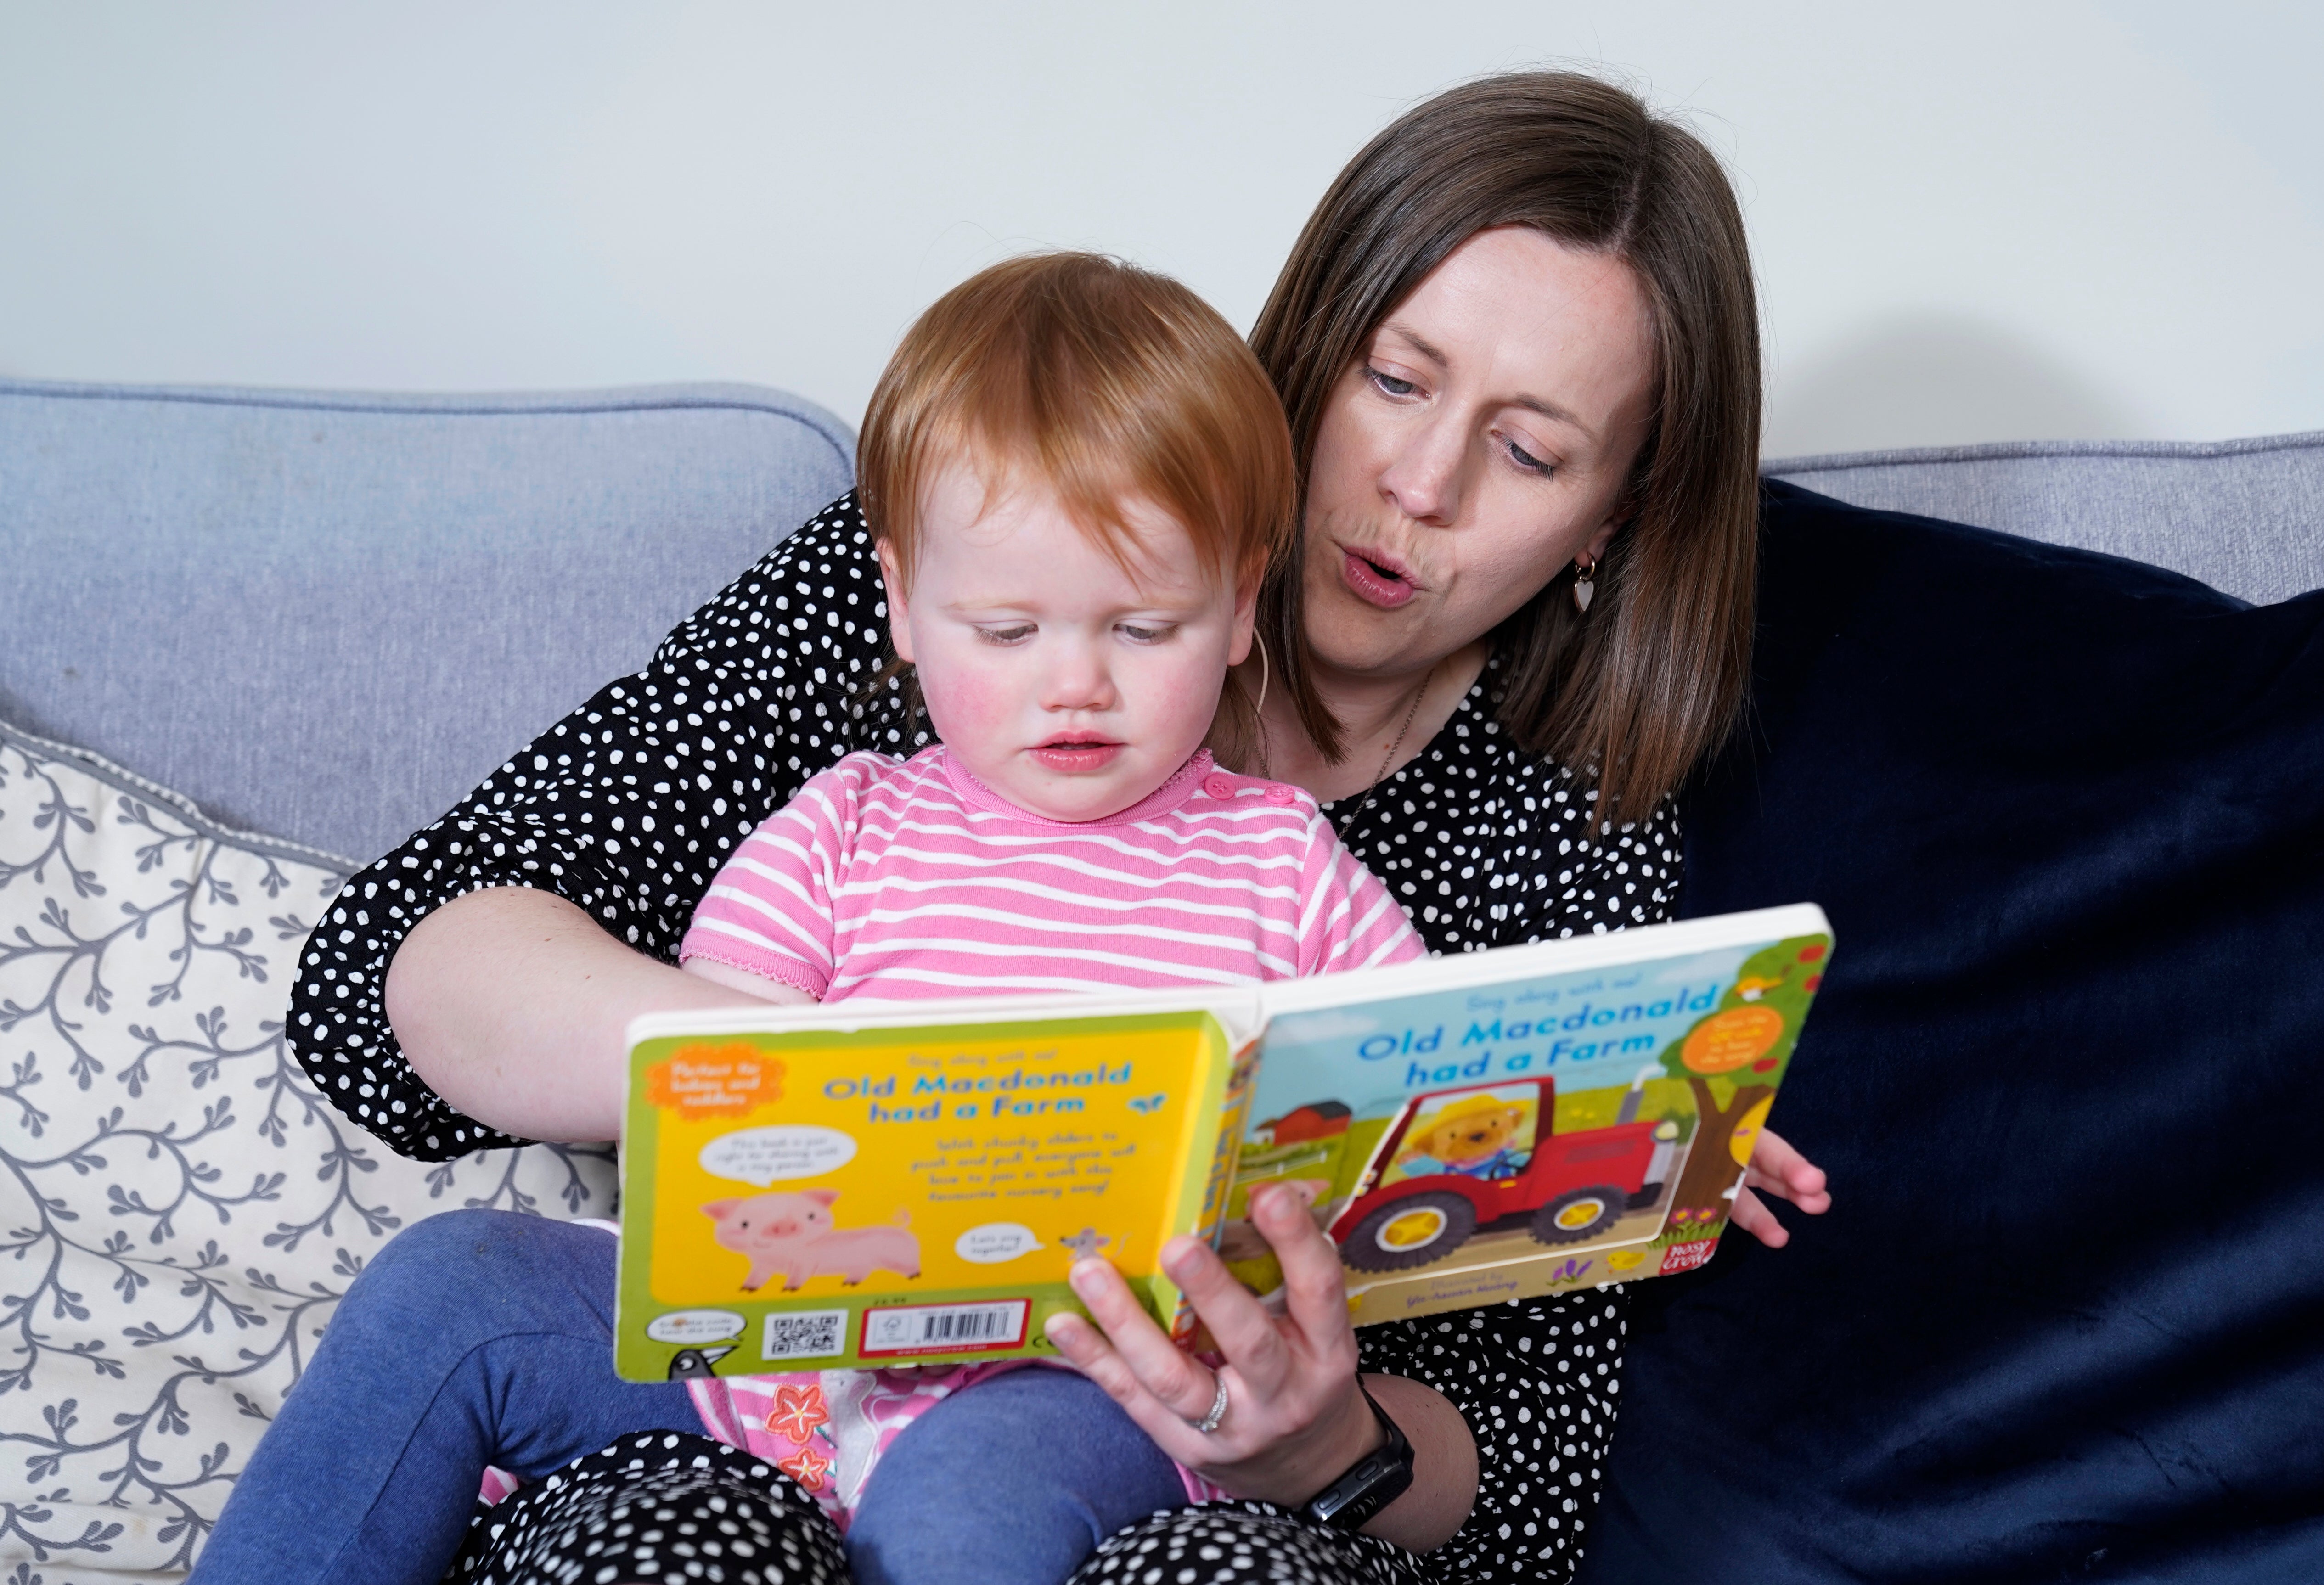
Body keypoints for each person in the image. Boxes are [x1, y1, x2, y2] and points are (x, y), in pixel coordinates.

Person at [284, 70, 1832, 1585]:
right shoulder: (968, 566)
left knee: (1021, 1507)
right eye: (1398, 379)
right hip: (756, 1395)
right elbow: (380, 987)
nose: (1418, 485)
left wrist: (1622, 1105)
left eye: (1529, 450)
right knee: (510, 1352)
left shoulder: (1474, 848)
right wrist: (832, 1089)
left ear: (1613, 516)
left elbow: (1527, 1439)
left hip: (1104, 1421)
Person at [194, 251, 1442, 1585]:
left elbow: (1407, 1089)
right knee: (449, 1287)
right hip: (772, 1360)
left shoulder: (1283, 860)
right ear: (902, 603)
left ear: (1242, 606)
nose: (1075, 683)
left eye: (1144, 627)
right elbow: (703, 1096)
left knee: (968, 1508)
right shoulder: (843, 826)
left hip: (1076, 1383)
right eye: (1006, 628)